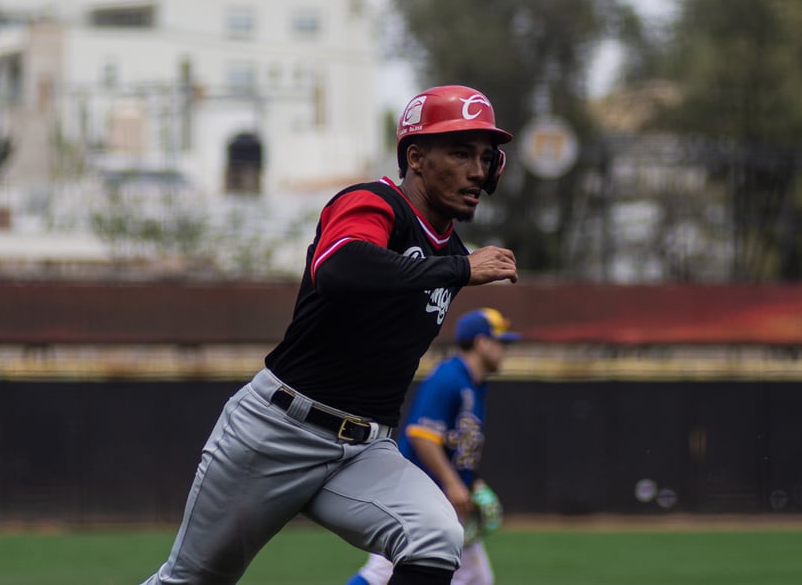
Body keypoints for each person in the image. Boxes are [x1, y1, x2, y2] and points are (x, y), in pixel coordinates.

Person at [140, 84, 518, 585]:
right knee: (191, 581)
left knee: (435, 534)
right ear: (417, 158)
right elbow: (341, 268)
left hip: (364, 450)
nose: (476, 170)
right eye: (460, 152)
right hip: (277, 432)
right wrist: (457, 269)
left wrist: (454, 266)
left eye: (485, 157)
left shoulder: (452, 253)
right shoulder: (373, 202)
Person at [345, 307, 520, 585]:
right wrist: (453, 483)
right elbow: (422, 435)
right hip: (419, 497)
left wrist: (472, 483)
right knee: (381, 573)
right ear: (481, 343)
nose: (505, 350)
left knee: (476, 577)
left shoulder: (474, 385)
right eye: (501, 342)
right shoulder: (449, 378)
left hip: (443, 502)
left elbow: (455, 446)